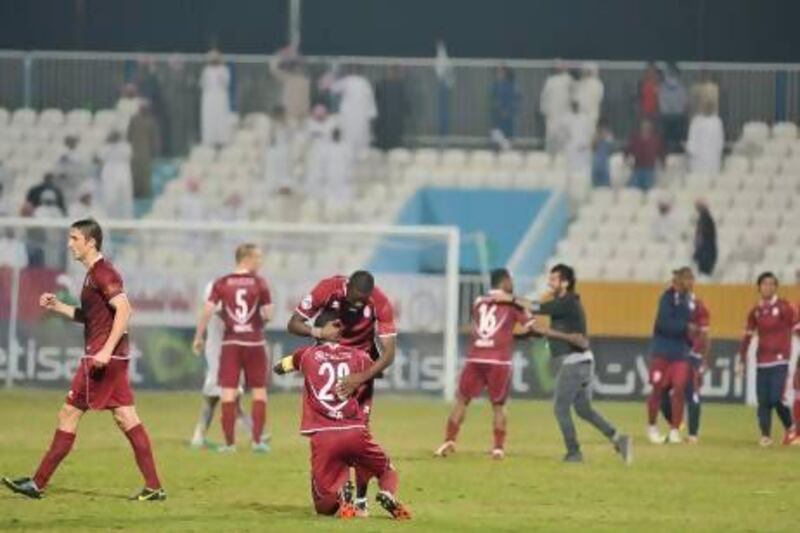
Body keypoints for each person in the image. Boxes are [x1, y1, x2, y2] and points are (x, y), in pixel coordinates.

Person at [2, 219, 165, 501]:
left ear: (91, 242)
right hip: (111, 356)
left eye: (74, 238)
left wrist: (105, 350)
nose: (69, 243)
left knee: (69, 413)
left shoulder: (103, 273)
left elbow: (125, 310)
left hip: (102, 359)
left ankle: (38, 483)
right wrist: (58, 306)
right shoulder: (93, 274)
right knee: (126, 417)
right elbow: (92, 317)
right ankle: (154, 487)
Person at [273, 309, 411, 520]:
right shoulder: (357, 355)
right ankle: (386, 493)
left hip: (323, 435)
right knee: (386, 469)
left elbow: (279, 368)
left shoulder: (306, 355)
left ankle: (341, 495)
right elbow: (378, 371)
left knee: (323, 506)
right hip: (355, 431)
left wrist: (295, 365)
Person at [287, 270, 396, 516]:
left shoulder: (380, 301)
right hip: (327, 365)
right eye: (355, 299)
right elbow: (293, 324)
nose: (358, 305)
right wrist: (318, 333)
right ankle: (338, 488)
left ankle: (359, 500)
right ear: (347, 289)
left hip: (360, 372)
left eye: (363, 301)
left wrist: (361, 378)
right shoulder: (328, 288)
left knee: (360, 434)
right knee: (328, 434)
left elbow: (389, 353)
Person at [514, 265, 632, 463]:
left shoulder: (567, 302)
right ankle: (619, 439)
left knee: (560, 408)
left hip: (575, 363)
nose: (549, 283)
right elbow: (544, 331)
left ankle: (574, 452)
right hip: (584, 362)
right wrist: (517, 336)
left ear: (565, 283)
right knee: (583, 409)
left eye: (554, 279)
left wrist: (509, 299)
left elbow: (535, 307)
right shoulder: (565, 305)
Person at [434, 269, 536, 460]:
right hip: (499, 360)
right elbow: (532, 326)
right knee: (498, 406)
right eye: (510, 280)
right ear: (505, 281)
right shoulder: (516, 305)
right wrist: (518, 336)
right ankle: (498, 448)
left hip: (476, 356)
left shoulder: (478, 301)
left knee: (462, 401)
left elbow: (481, 324)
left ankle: (449, 440)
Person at [192, 244, 273, 453]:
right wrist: (256, 323)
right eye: (258, 257)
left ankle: (228, 444)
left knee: (227, 393)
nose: (261, 262)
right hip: (252, 342)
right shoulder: (259, 282)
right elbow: (268, 314)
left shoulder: (221, 283)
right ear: (246, 258)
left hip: (229, 344)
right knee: (257, 392)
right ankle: (256, 441)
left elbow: (208, 310)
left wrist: (198, 336)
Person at [736, 272, 798, 446]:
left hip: (781, 360)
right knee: (763, 401)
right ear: (759, 287)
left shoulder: (785, 307)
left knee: (776, 398)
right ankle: (765, 436)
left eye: (771, 284)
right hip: (762, 360)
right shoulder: (755, 311)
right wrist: (741, 360)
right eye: (764, 284)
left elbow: (797, 327)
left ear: (775, 287)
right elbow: (747, 337)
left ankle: (790, 426)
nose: (768, 287)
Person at [189, 280, 252, 450]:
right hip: (220, 357)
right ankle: (255, 436)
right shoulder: (224, 310)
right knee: (224, 399)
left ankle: (199, 438)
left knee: (217, 399)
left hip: (225, 357)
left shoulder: (226, 308)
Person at [660, 270, 710, 443]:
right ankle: (677, 423)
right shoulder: (671, 302)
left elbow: (704, 335)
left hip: (690, 356)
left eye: (688, 279)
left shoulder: (698, 305)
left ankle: (693, 435)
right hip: (672, 354)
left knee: (691, 393)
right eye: (679, 280)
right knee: (661, 392)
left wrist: (703, 359)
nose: (682, 283)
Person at [646, 267, 694, 444]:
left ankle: (675, 430)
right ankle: (652, 427)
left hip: (680, 353)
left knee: (679, 389)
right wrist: (686, 329)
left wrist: (691, 341)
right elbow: (663, 324)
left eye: (692, 279)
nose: (691, 283)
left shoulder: (689, 300)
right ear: (680, 281)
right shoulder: (666, 298)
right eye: (688, 279)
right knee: (657, 390)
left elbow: (694, 325)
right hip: (662, 352)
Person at [329, 67, 378, 154]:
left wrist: (332, 76)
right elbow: (371, 105)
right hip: (358, 117)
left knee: (350, 139)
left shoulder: (348, 81)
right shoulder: (364, 83)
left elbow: (333, 88)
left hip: (352, 117)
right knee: (358, 140)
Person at [128, 99, 161, 200]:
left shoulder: (151, 121)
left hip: (145, 152)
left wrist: (155, 151)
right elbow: (128, 135)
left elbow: (154, 138)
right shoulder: (134, 120)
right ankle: (136, 192)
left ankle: (145, 193)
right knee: (135, 173)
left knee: (145, 174)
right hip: (136, 152)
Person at [269, 44, 311, 126]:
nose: (297, 67)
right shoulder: (287, 77)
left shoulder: (305, 78)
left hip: (304, 113)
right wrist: (279, 54)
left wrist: (295, 56)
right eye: (295, 65)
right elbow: (273, 68)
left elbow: (302, 61)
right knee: (291, 131)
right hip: (290, 113)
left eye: (298, 65)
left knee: (303, 134)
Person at [540, 60, 573, 155]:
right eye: (557, 67)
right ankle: (550, 154)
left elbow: (573, 94)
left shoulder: (568, 79)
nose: (558, 69)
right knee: (551, 135)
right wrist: (544, 110)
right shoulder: (550, 80)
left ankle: (563, 154)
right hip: (551, 114)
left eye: (560, 67)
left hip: (564, 113)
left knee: (563, 136)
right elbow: (544, 96)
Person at [200, 48, 232, 148]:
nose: (213, 59)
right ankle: (209, 140)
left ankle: (222, 140)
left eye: (215, 57)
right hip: (209, 98)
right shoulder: (206, 70)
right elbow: (202, 83)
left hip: (220, 97)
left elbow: (226, 82)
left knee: (221, 118)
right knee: (209, 118)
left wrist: (220, 79)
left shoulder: (224, 69)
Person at [98, 131, 134, 219]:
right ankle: (110, 219)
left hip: (123, 174)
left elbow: (128, 154)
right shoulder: (106, 147)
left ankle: (127, 221)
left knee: (126, 200)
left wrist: (115, 144)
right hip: (109, 175)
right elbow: (100, 157)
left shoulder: (125, 147)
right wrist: (108, 143)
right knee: (109, 199)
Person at [374, 65, 410, 150]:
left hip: (395, 120)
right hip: (383, 120)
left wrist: (406, 112)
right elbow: (376, 100)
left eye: (395, 71)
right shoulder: (381, 84)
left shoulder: (400, 86)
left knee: (395, 141)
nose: (392, 73)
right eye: (391, 71)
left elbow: (405, 103)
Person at [625, 118, 664, 191]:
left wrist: (663, 163)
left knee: (649, 190)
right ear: (641, 126)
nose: (646, 127)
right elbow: (627, 150)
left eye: (648, 125)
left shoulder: (656, 139)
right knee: (631, 189)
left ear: (651, 127)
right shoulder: (635, 138)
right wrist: (626, 160)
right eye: (644, 125)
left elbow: (661, 153)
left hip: (649, 170)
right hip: (637, 169)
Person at [686, 101, 724, 175]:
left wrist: (718, 153)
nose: (708, 109)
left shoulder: (717, 121)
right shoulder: (696, 121)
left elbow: (720, 141)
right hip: (698, 160)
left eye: (710, 107)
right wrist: (692, 153)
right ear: (702, 108)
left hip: (713, 159)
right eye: (706, 107)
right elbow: (691, 139)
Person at [263, 105, 294, 194]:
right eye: (278, 114)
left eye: (281, 114)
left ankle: (285, 186)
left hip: (285, 148)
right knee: (272, 159)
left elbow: (290, 137)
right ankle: (275, 186)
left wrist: (285, 125)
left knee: (285, 165)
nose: (280, 116)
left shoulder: (288, 123)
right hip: (275, 148)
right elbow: (270, 139)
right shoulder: (271, 124)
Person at [658, 64, 688, 153]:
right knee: (667, 137)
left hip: (676, 118)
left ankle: (676, 149)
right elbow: (661, 102)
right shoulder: (663, 88)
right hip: (668, 117)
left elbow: (684, 103)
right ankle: (667, 150)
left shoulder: (681, 88)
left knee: (677, 136)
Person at [490, 66, 520, 149]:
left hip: (508, 119)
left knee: (507, 141)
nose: (499, 74)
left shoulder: (512, 86)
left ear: (506, 74)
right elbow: (494, 100)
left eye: (501, 72)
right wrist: (499, 109)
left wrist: (508, 111)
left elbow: (516, 100)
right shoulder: (496, 86)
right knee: (496, 138)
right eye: (498, 72)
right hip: (497, 119)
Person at [563, 101, 594, 175]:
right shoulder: (567, 119)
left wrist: (587, 144)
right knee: (572, 168)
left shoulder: (584, 118)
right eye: (573, 106)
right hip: (572, 147)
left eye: (576, 106)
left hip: (584, 146)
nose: (575, 108)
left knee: (584, 168)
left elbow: (589, 132)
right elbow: (564, 133)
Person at [573, 62, 604, 126]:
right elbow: (576, 100)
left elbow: (599, 99)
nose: (588, 73)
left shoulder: (598, 84)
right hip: (581, 114)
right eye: (586, 71)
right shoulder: (580, 84)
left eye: (589, 71)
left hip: (592, 114)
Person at [693, 200, 717, 276]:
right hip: (705, 250)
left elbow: (702, 236)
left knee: (704, 273)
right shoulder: (704, 218)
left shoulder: (705, 219)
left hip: (706, 251)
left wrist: (698, 251)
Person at [591, 119, 613, 187]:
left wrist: (604, 136)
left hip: (604, 166)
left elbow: (610, 149)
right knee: (596, 188)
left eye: (604, 128)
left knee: (606, 188)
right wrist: (598, 137)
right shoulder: (595, 136)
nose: (603, 130)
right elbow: (593, 147)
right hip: (596, 166)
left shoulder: (609, 136)